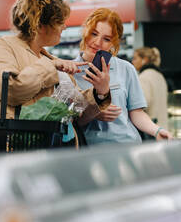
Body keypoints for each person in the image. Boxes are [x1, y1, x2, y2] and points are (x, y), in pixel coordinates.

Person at [0, 0, 111, 145]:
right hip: (14, 150)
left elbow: (79, 112)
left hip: (53, 150)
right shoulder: (2, 47)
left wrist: (100, 93)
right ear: (40, 25)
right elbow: (12, 89)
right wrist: (51, 67)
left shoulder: (48, 58)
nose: (64, 27)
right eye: (60, 22)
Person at [73, 8, 173, 144]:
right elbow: (72, 121)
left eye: (106, 39)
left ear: (114, 43)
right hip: (91, 151)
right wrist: (95, 111)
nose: (97, 42)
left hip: (128, 146)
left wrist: (156, 130)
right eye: (93, 33)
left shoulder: (126, 68)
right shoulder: (70, 71)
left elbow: (136, 113)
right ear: (85, 31)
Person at [132, 47, 169, 131]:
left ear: (144, 59)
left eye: (135, 58)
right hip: (162, 127)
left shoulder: (143, 77)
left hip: (152, 129)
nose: (132, 62)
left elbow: (142, 105)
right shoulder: (159, 75)